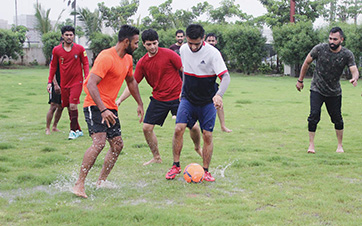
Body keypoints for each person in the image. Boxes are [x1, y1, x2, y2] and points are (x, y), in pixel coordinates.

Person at [73, 25, 144, 198]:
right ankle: (79, 184)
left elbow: (131, 81)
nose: (136, 46)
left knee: (117, 145)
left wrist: (140, 104)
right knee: (99, 143)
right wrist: (103, 109)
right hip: (95, 105)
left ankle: (101, 181)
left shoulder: (127, 59)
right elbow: (91, 84)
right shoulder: (106, 57)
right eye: (135, 43)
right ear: (126, 41)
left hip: (110, 106)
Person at [116, 29, 202, 166]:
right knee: (146, 128)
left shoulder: (169, 54)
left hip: (178, 97)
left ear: (158, 41)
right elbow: (133, 83)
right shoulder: (143, 63)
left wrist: (186, 90)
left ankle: (197, 147)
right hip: (159, 99)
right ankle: (156, 157)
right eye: (149, 44)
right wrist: (120, 100)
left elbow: (185, 71)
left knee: (194, 127)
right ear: (144, 44)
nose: (153, 47)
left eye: (155, 43)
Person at [165, 24, 231, 182]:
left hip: (207, 101)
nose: (193, 47)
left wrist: (219, 94)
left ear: (203, 39)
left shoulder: (213, 53)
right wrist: (182, 91)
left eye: (197, 43)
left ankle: (206, 171)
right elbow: (186, 72)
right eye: (190, 43)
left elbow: (226, 77)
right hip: (188, 98)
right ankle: (175, 166)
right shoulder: (183, 50)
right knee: (178, 129)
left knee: (207, 135)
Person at [296, 26, 359, 154]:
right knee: (314, 115)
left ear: (341, 39)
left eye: (335, 39)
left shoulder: (347, 54)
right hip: (317, 88)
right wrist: (300, 80)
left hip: (334, 91)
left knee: (337, 118)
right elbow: (307, 62)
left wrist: (355, 78)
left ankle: (340, 145)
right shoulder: (319, 49)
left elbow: (354, 69)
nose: (332, 41)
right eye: (330, 38)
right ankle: (311, 145)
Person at [47, 25, 89, 140]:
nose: (69, 37)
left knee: (73, 105)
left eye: (71, 35)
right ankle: (78, 129)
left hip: (77, 81)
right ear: (62, 36)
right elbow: (53, 66)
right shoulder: (57, 50)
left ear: (74, 36)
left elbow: (85, 63)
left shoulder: (80, 49)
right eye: (67, 35)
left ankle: (72, 131)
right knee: (68, 107)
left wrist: (86, 76)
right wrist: (50, 82)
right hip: (64, 83)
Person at [205, 33, 232, 133]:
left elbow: (221, 71)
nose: (211, 43)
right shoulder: (202, 52)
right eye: (209, 40)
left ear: (216, 42)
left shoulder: (217, 53)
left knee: (219, 104)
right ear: (205, 41)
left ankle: (223, 126)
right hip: (200, 83)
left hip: (211, 84)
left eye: (213, 41)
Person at [46, 38, 64, 134]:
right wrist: (55, 84)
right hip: (55, 82)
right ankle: (47, 128)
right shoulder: (56, 54)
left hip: (65, 84)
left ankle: (54, 126)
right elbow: (51, 69)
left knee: (61, 106)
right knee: (53, 106)